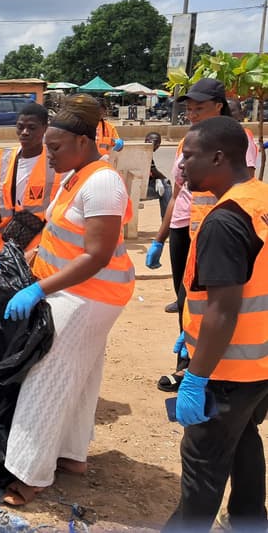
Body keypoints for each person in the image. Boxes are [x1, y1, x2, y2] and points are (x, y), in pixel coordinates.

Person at [1, 94, 135, 506]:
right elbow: (58, 231)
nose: (49, 154)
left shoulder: (103, 183)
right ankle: (72, 456)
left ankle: (30, 476)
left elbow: (95, 256)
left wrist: (38, 289)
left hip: (88, 295)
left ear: (82, 141)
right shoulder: (76, 176)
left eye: (55, 148)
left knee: (48, 374)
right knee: (83, 372)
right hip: (77, 291)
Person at [163, 116, 268, 532]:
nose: (182, 165)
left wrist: (197, 376)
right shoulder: (259, 199)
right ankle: (250, 522)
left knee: (202, 466)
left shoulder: (224, 221)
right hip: (261, 363)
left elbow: (224, 310)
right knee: (242, 440)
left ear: (219, 157)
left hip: (230, 368)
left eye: (189, 155)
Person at [146, 79, 258, 392]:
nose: (192, 114)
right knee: (189, 301)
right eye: (189, 109)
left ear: (218, 106)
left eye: (199, 108)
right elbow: (178, 191)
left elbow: (240, 187)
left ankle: (202, 371)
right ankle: (187, 363)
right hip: (189, 227)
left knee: (218, 303)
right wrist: (160, 236)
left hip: (220, 231)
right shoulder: (190, 141)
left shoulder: (238, 140)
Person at [0, 103, 61, 259]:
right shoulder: (1, 159)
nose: (24, 132)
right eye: (20, 127)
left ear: (45, 128)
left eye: (31, 127)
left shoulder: (56, 161)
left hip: (40, 244)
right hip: (5, 243)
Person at [144, 132, 172, 220]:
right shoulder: (146, 153)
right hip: (140, 190)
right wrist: (164, 178)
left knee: (164, 184)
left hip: (131, 187)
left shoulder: (141, 150)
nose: (155, 145)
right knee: (167, 187)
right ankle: (166, 221)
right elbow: (154, 171)